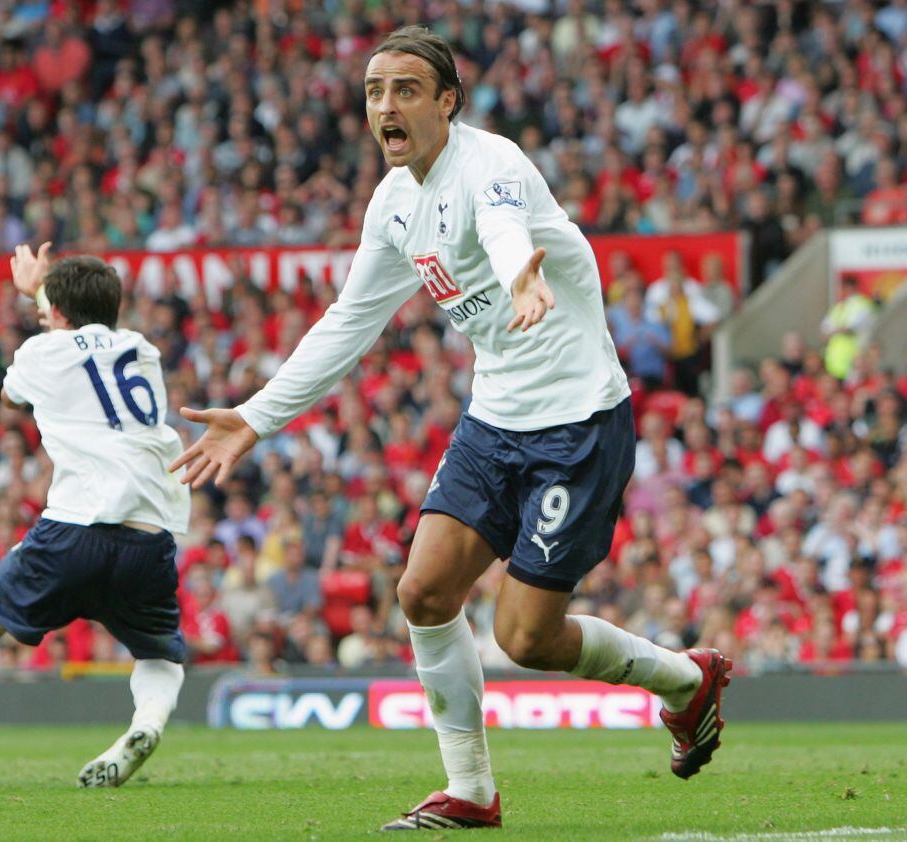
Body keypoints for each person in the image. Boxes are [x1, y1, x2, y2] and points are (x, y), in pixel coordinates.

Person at [169, 26, 731, 831]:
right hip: (494, 417)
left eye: (403, 89)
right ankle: (470, 792)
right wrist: (256, 419)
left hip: (577, 422)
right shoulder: (396, 202)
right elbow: (347, 323)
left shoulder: (492, 165)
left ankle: (684, 681)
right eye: (373, 92)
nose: (385, 106)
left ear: (447, 101)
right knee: (423, 590)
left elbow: (504, 228)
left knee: (526, 639)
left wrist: (520, 276)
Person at [0, 244, 190, 791]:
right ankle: (146, 725)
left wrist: (36, 296)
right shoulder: (143, 349)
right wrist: (48, 296)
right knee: (160, 652)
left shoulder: (39, 354)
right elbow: (85, 330)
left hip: (76, 526)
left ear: (57, 314)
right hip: (151, 533)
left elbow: (9, 399)